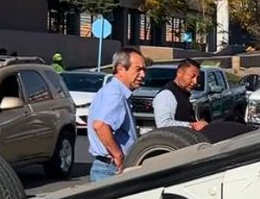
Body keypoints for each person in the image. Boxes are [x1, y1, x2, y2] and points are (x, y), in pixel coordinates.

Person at [87, 47, 146, 181]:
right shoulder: (116, 94)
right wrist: (118, 155)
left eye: (144, 70)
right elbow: (100, 125)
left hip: (109, 167)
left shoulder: (112, 91)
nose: (143, 75)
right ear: (120, 69)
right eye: (138, 69)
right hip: (111, 169)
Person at [153, 58, 208, 131]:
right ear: (179, 73)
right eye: (192, 77)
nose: (195, 82)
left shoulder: (183, 93)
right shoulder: (166, 95)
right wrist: (192, 125)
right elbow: (163, 124)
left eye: (197, 78)